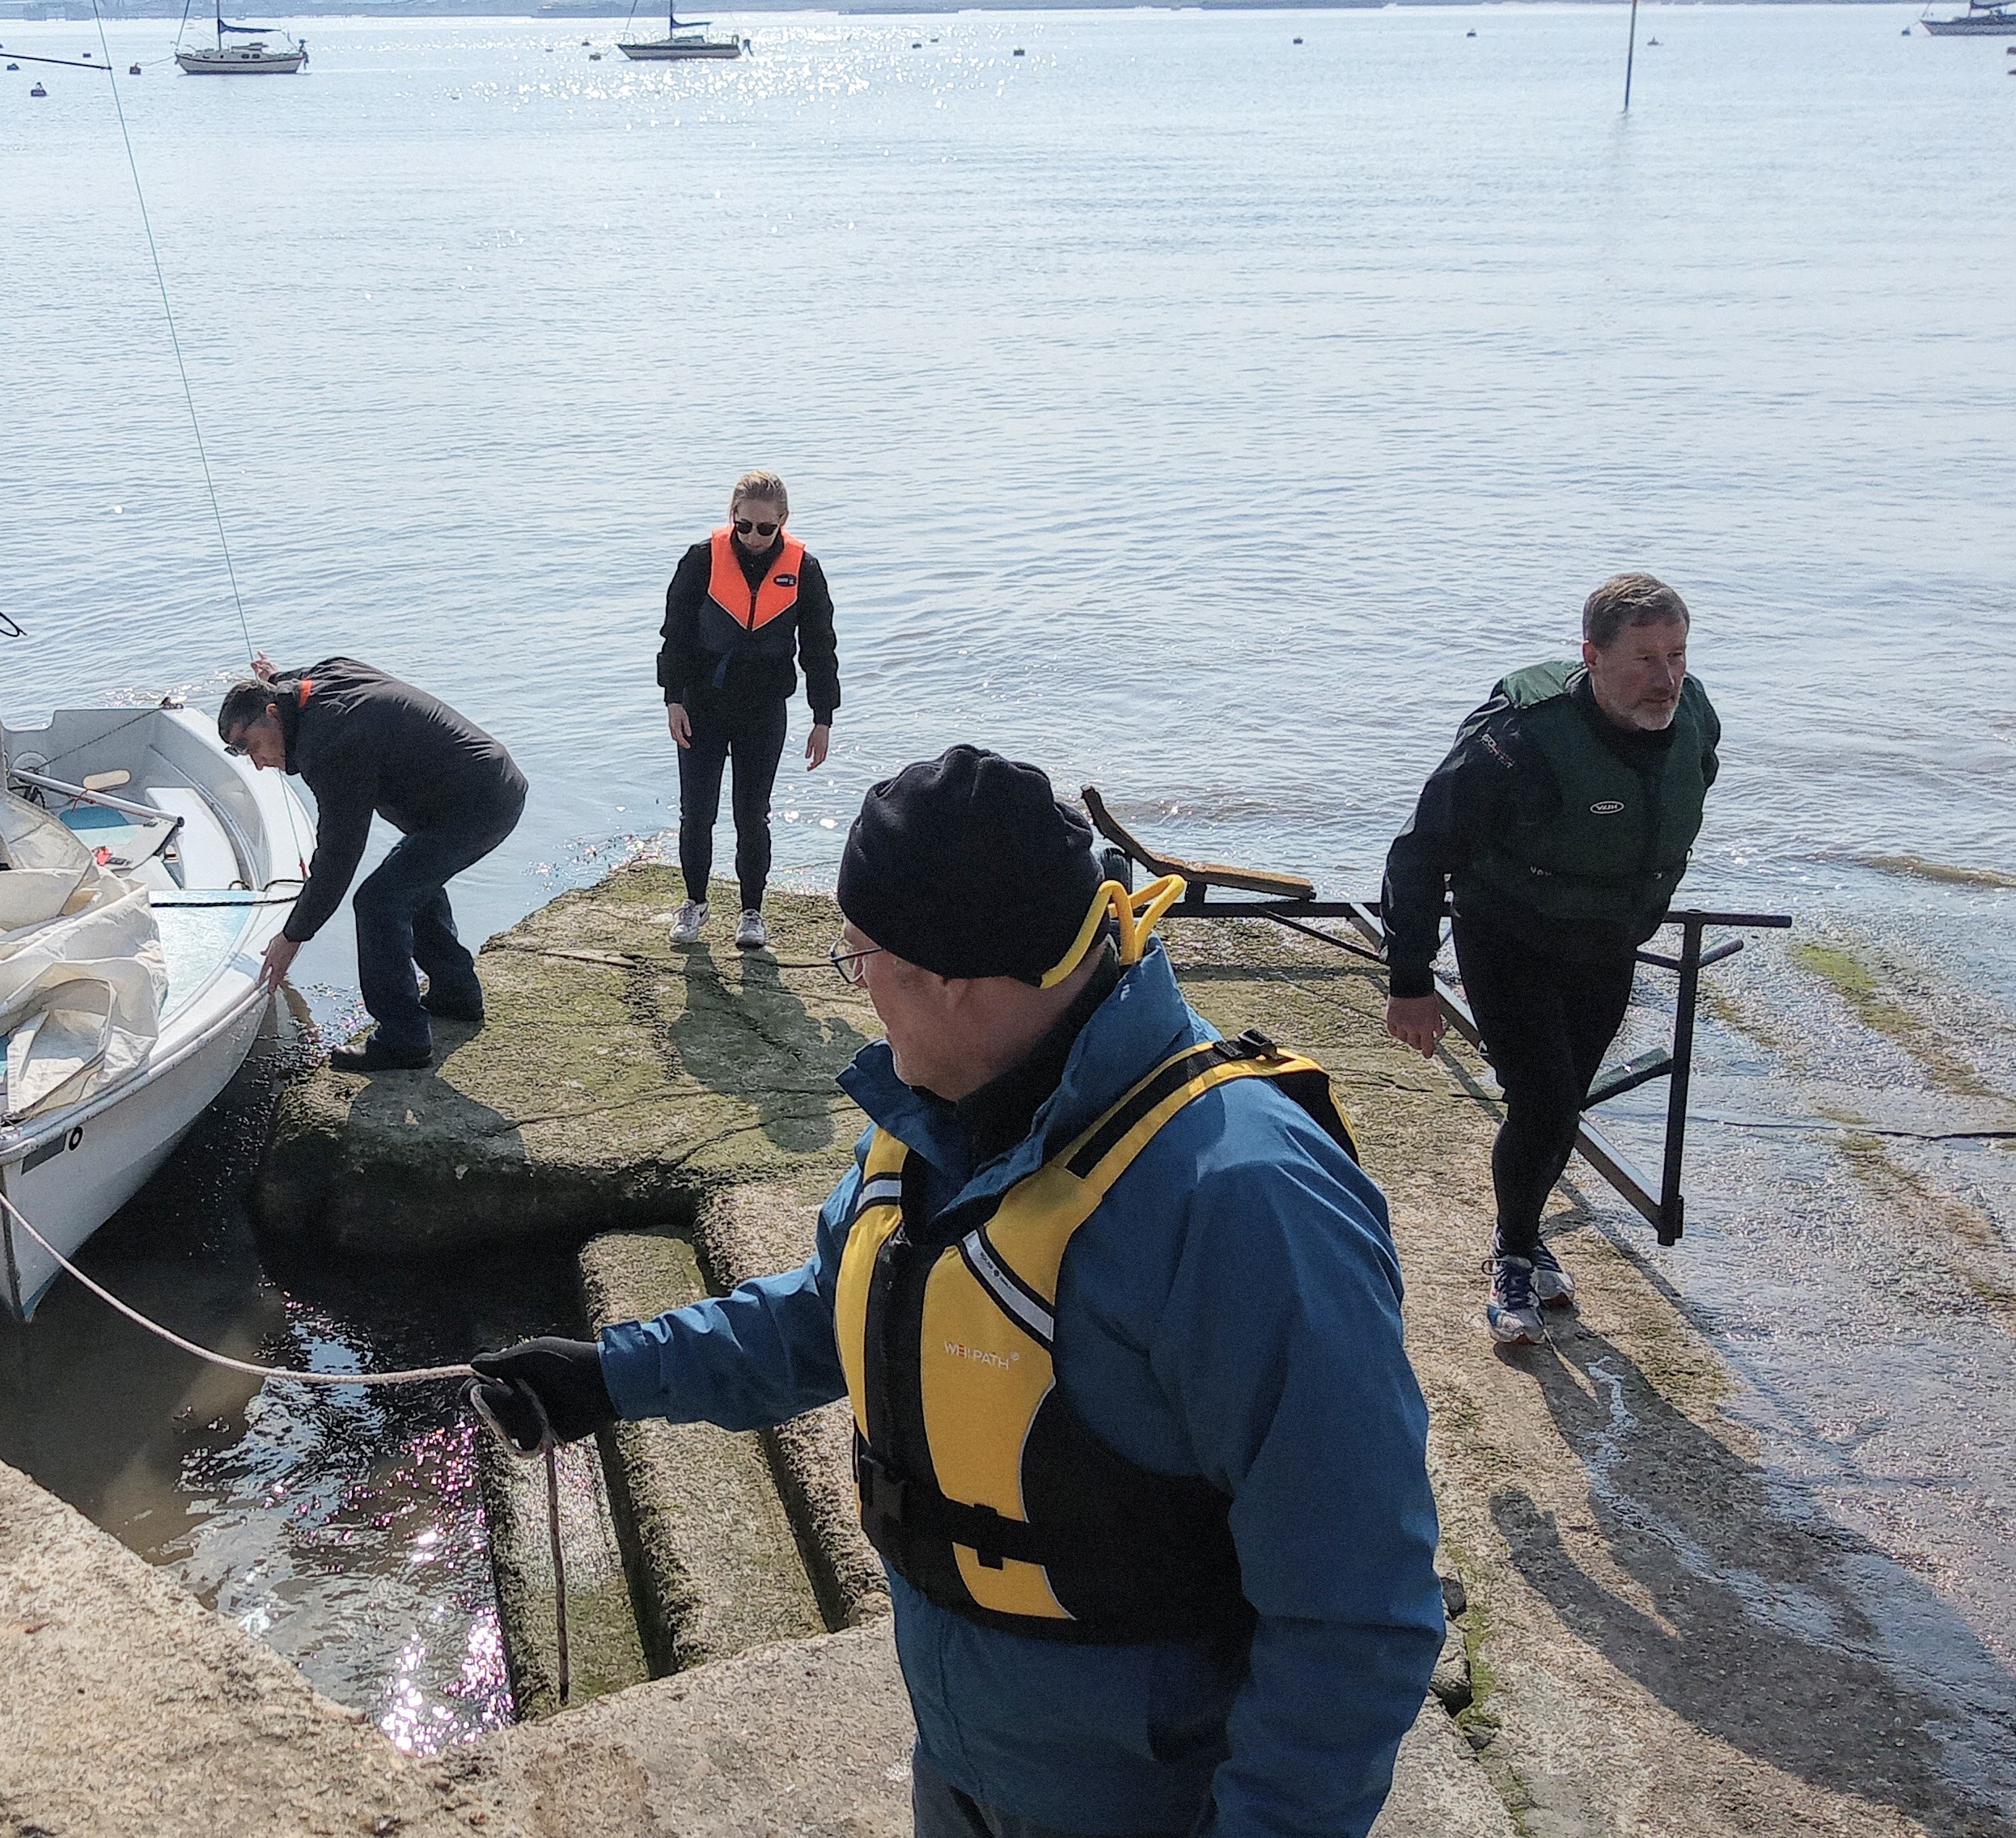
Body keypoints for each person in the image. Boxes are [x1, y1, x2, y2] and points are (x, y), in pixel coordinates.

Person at [472, 747, 1442, 1838]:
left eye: (855, 956)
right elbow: (842, 1309)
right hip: (964, 1765)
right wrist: (612, 1377)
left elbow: (1355, 1610)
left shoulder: (1244, 1203)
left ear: (949, 976)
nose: (852, 984)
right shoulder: (945, 1104)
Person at [1379, 574, 1721, 1347]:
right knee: (1545, 1102)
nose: (1666, 678)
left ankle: (1530, 1239)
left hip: (1605, 941)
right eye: (1644, 659)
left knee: (1565, 1103)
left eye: (1677, 654)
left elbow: (1690, 787)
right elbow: (1419, 851)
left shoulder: (1694, 714)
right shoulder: (1518, 738)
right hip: (1510, 938)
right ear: (1591, 656)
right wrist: (1410, 981)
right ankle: (1511, 1255)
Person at [218, 656, 527, 1074]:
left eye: (251, 746)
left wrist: (292, 936)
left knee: (379, 901)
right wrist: (271, 676)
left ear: (273, 715)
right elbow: (288, 683)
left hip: (478, 805)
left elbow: (338, 857)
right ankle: (456, 996)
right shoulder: (324, 679)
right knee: (410, 884)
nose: (257, 762)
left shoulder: (331, 745)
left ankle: (403, 1041)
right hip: (481, 783)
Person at [657, 470, 840, 953]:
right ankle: (694, 903)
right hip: (702, 705)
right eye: (745, 527)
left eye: (766, 528)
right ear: (731, 518)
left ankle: (751, 912)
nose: (754, 538)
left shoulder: (804, 569)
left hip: (762, 710)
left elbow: (819, 646)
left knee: (751, 814)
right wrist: (672, 698)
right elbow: (674, 634)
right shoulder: (700, 561)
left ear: (783, 522)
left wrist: (823, 716)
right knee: (696, 813)